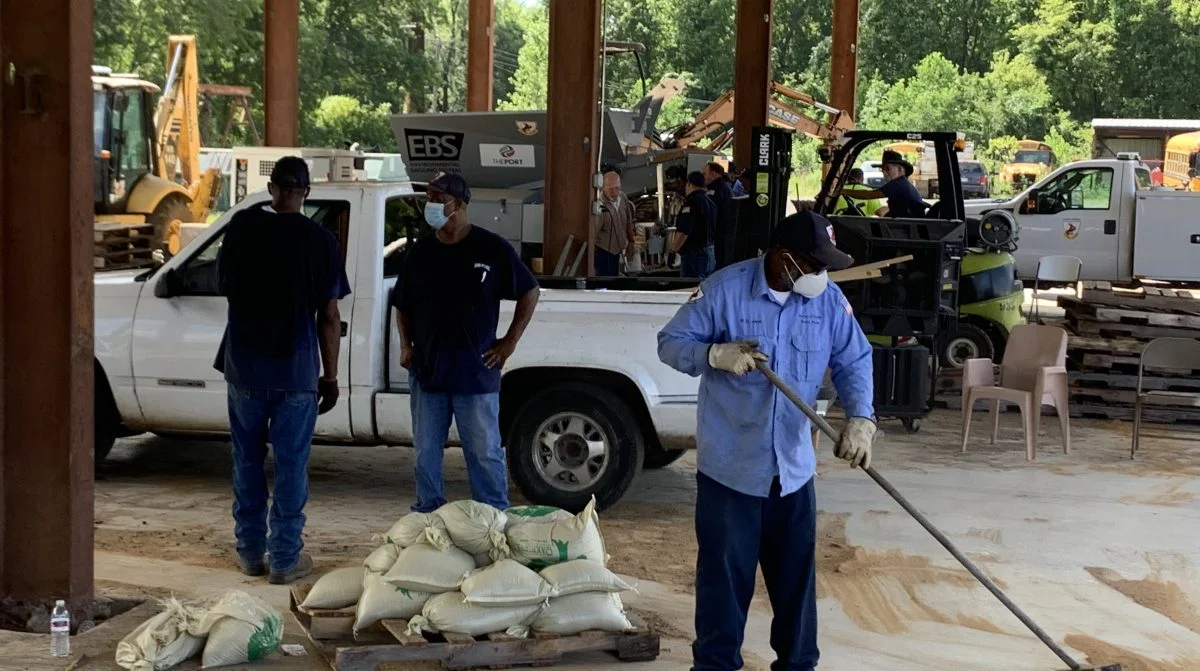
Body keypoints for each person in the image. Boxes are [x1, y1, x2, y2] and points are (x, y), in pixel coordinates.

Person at [657, 210, 876, 671]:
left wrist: (861, 419)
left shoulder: (827, 301)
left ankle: (797, 666)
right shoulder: (724, 291)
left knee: (796, 588)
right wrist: (713, 354)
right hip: (730, 473)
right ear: (783, 257)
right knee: (723, 586)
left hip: (792, 473)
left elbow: (854, 359)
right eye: (813, 264)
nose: (821, 274)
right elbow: (670, 342)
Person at [215, 156, 351, 584]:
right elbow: (330, 316)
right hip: (296, 372)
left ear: (272, 188)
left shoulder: (242, 227)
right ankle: (285, 559)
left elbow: (223, 286)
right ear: (306, 193)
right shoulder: (321, 241)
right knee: (291, 467)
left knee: (247, 462)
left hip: (245, 368)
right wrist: (331, 377)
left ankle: (250, 553)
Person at [392, 172, 541, 512]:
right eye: (429, 198)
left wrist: (509, 342)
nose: (430, 205)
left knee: (484, 452)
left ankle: (492, 517)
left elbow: (529, 290)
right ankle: (428, 516)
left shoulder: (491, 248)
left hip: (475, 373)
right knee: (425, 453)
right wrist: (405, 345)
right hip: (428, 373)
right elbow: (402, 304)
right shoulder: (421, 252)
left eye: (437, 199)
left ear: (457, 204)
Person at [845, 150, 927, 218]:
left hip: (908, 229)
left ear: (900, 169)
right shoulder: (903, 183)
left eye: (887, 168)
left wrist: (844, 191)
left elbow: (869, 195)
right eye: (882, 169)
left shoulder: (898, 184)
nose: (884, 173)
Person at [670, 171, 718, 279]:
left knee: (691, 286)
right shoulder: (710, 203)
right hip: (710, 252)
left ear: (689, 184)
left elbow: (684, 231)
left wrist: (673, 251)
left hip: (694, 256)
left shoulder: (692, 202)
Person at [594, 170, 637, 277]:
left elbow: (628, 221)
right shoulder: (599, 206)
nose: (614, 192)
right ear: (603, 187)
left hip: (618, 250)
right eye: (610, 189)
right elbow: (592, 234)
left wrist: (631, 241)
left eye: (617, 188)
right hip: (603, 252)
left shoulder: (623, 198)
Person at [703, 162, 737, 269]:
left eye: (705, 174)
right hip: (724, 234)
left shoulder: (715, 190)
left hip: (719, 235)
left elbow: (709, 212)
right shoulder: (724, 186)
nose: (703, 177)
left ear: (713, 174)